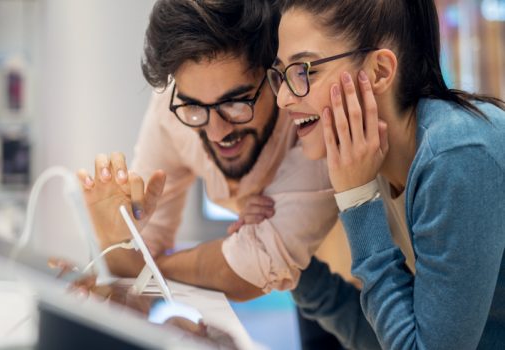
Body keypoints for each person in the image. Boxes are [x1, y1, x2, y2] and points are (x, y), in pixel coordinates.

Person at [76, 0, 351, 348]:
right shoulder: (172, 108)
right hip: (306, 284)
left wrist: (149, 264)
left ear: (276, 75)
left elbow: (251, 269)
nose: (218, 132)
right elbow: (141, 245)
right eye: (194, 107)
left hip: (363, 274)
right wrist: (113, 242)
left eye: (236, 103)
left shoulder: (307, 108)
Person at [268, 0, 505, 348]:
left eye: (305, 71)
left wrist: (357, 200)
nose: (284, 98)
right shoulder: (375, 159)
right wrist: (299, 274)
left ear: (379, 71)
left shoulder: (455, 156)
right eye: (281, 75)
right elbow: (395, 337)